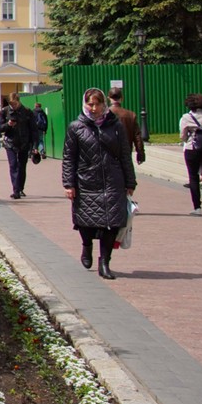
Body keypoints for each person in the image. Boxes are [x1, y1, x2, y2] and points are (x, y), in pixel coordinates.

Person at [63, 88, 137, 280]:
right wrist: (68, 184)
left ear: (105, 104)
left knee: (111, 224)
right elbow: (69, 158)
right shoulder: (76, 127)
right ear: (84, 104)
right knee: (84, 223)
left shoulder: (115, 125)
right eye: (90, 104)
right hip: (86, 181)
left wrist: (130, 181)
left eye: (98, 104)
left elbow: (124, 154)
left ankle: (104, 262)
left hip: (113, 181)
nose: (94, 108)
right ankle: (86, 246)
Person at [1, 93, 37, 199]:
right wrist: (8, 125)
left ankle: (20, 188)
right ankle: (16, 190)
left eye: (15, 103)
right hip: (10, 143)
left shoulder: (27, 111)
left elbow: (33, 129)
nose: (13, 106)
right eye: (11, 104)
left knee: (22, 166)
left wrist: (35, 145)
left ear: (19, 101)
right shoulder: (5, 111)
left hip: (24, 142)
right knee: (13, 165)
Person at [107, 87, 146, 165]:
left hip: (108, 154)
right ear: (122, 98)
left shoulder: (104, 114)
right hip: (126, 153)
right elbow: (137, 136)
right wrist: (140, 154)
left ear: (109, 98)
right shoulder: (130, 115)